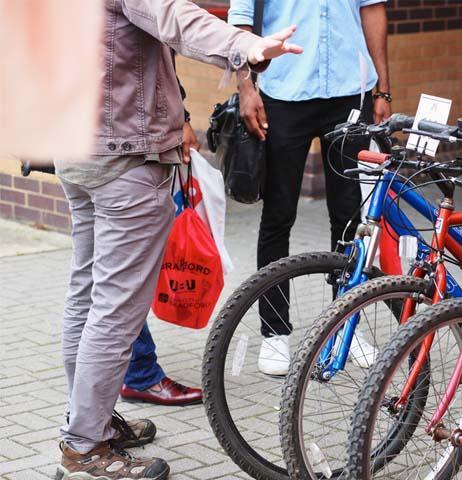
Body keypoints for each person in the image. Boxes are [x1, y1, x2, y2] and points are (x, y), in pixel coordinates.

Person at [54, 1, 301, 479]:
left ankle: (89, 422)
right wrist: (246, 45)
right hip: (124, 157)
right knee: (113, 308)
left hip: (75, 149)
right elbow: (174, 17)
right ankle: (85, 447)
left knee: (86, 297)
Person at [228, 0, 391, 376]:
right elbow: (238, 22)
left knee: (350, 217)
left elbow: (372, 10)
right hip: (283, 93)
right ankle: (274, 332)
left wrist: (383, 88)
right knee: (278, 215)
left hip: (351, 92)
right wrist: (246, 87)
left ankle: (346, 326)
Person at [120, 80, 203, 408]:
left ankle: (92, 408)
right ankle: (139, 375)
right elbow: (155, 59)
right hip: (124, 150)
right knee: (124, 275)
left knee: (95, 277)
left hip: (86, 147)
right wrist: (180, 118)